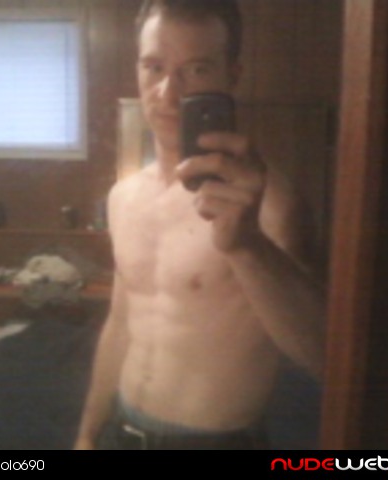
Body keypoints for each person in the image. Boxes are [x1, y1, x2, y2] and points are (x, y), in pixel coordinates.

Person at [74, 0, 325, 450]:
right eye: (154, 67)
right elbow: (121, 321)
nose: (168, 94)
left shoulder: (271, 204)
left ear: (232, 75)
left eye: (197, 70)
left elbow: (323, 355)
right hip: (122, 432)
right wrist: (88, 432)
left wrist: (247, 245)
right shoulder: (123, 198)